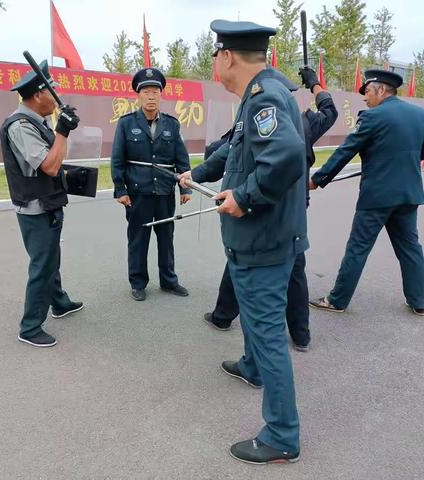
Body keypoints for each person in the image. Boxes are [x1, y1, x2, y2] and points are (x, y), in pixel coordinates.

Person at [179, 20, 307, 465]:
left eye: (215, 55)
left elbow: (287, 157)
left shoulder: (264, 98)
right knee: (257, 324)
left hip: (262, 240)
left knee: (269, 333)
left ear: (227, 57)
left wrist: (245, 198)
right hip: (262, 238)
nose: (214, 62)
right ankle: (251, 367)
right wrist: (196, 173)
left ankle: (282, 435)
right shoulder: (261, 94)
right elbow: (235, 151)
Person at [203, 66, 338, 352]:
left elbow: (227, 147)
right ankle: (300, 334)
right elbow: (330, 110)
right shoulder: (305, 122)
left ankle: (224, 317)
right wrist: (315, 85)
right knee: (294, 269)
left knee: (243, 262)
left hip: (263, 205)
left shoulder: (265, 111)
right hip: (295, 209)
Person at [309, 69, 424, 316]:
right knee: (410, 247)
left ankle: (337, 300)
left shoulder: (373, 117)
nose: (365, 98)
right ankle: (420, 301)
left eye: (368, 92)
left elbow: (346, 151)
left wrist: (318, 179)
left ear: (382, 90)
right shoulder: (419, 115)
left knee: (358, 248)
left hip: (377, 196)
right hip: (408, 194)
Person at [0, 60, 83, 348]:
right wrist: (63, 132)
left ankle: (58, 302)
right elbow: (48, 165)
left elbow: (56, 162)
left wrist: (61, 133)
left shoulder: (37, 121)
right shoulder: (20, 125)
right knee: (43, 263)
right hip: (35, 207)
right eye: (52, 90)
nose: (55, 94)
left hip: (47, 202)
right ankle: (30, 326)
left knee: (50, 257)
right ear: (38, 94)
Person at [111, 68, 191, 301]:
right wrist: (120, 189)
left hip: (165, 192)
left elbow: (181, 158)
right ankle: (138, 283)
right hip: (138, 193)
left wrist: (184, 188)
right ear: (138, 96)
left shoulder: (171, 125)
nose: (151, 96)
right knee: (138, 239)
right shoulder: (126, 124)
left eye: (155, 91)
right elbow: (117, 160)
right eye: (146, 91)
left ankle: (169, 281)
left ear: (161, 95)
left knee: (166, 238)